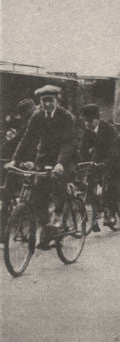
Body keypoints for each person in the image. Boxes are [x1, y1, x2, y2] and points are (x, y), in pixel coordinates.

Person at [7, 83, 77, 248]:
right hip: (44, 159)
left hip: (65, 158)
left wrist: (60, 163)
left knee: (58, 186)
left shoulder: (66, 117)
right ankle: (47, 229)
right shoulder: (37, 116)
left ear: (57, 100)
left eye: (50, 100)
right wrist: (15, 160)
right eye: (44, 101)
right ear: (40, 102)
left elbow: (68, 143)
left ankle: (59, 217)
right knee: (38, 193)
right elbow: (27, 138)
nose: (47, 104)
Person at [78, 103, 120, 229]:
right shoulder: (88, 131)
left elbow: (115, 151)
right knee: (89, 180)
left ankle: (110, 213)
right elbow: (83, 149)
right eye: (85, 121)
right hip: (101, 157)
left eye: (90, 121)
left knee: (111, 183)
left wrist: (104, 164)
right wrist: (81, 163)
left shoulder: (109, 129)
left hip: (119, 157)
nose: (87, 124)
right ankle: (96, 212)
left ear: (97, 119)